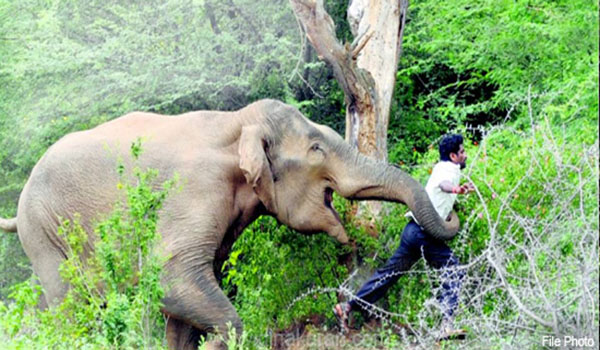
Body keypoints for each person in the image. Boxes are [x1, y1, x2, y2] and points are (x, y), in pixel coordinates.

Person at [333, 134, 474, 341]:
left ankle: (348, 306)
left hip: (413, 232)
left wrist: (454, 199)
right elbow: (444, 185)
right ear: (453, 156)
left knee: (389, 274)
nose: (465, 155)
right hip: (424, 235)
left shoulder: (440, 166)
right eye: (462, 152)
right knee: (454, 270)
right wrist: (456, 189)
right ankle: (446, 325)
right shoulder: (449, 171)